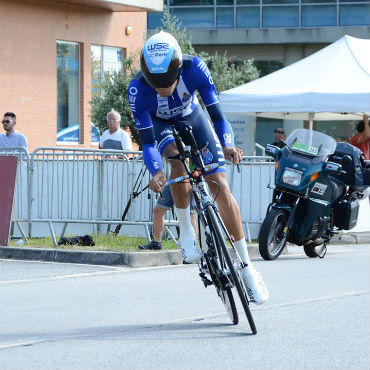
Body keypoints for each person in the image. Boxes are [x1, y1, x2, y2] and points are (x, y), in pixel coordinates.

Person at [128, 31, 268, 304]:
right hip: (162, 126)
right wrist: (156, 171)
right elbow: (146, 143)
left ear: (178, 68)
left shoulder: (195, 69)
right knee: (176, 158)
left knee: (220, 185)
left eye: (166, 80)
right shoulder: (137, 89)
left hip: (193, 117)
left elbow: (218, 116)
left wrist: (228, 145)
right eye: (154, 81)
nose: (161, 87)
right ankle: (186, 231)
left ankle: (248, 267)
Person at [138, 185, 197, 250]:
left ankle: (194, 245)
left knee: (189, 214)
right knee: (158, 211)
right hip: (172, 182)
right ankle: (156, 243)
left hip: (185, 182)